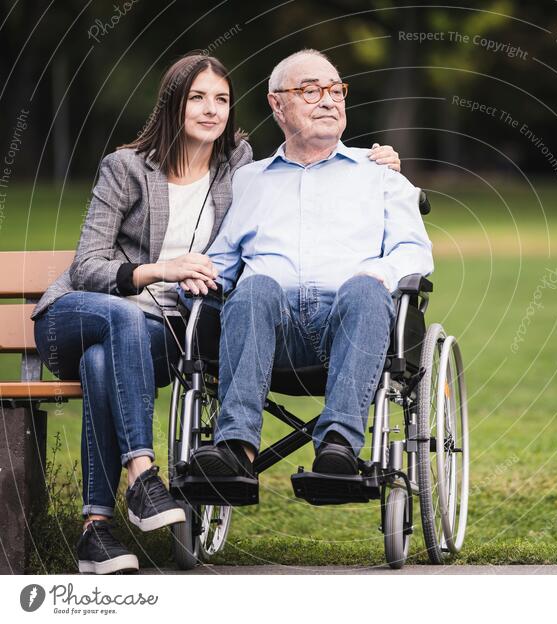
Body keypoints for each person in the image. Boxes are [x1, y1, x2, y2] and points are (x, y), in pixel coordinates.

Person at [31, 52, 401, 574]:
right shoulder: (127, 167)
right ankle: (142, 474)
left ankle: (97, 531)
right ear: (172, 104)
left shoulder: (240, 168)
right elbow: (89, 266)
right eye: (197, 98)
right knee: (121, 321)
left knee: (102, 363)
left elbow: (287, 195)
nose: (211, 110)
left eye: (222, 99)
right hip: (84, 313)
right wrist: (162, 270)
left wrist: (379, 160)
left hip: (165, 331)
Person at [188, 49, 433, 483]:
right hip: (270, 328)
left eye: (336, 90)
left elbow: (414, 251)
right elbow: (223, 260)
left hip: (352, 324)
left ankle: (338, 446)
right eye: (310, 90)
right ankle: (235, 449)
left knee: (364, 288)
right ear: (277, 104)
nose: (329, 100)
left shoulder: (379, 174)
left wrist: (380, 273)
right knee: (254, 286)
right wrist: (185, 279)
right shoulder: (251, 180)